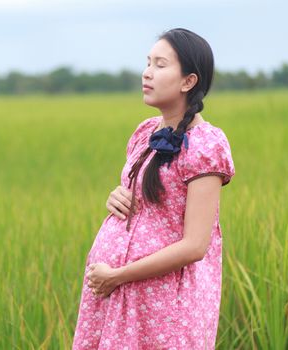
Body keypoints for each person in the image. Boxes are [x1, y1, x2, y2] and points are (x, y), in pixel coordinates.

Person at [71, 28, 236, 349]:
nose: (147, 73)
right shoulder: (145, 131)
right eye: (148, 63)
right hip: (119, 296)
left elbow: (195, 246)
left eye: (160, 65)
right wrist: (116, 196)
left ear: (188, 81)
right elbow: (148, 203)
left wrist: (118, 275)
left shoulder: (206, 144)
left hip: (161, 305)